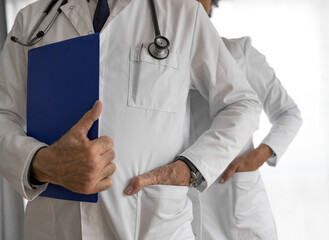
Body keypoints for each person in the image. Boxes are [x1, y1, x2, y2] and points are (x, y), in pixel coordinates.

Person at [0, 0, 262, 239]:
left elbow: (242, 103)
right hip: (56, 229)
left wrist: (189, 169)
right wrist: (41, 162)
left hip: (155, 227)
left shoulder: (182, 13)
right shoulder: (33, 21)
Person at [189, 0, 303, 239]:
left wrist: (259, 155)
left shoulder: (240, 53)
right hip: (182, 209)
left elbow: (288, 113)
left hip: (238, 203)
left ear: (212, 4)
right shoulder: (158, 66)